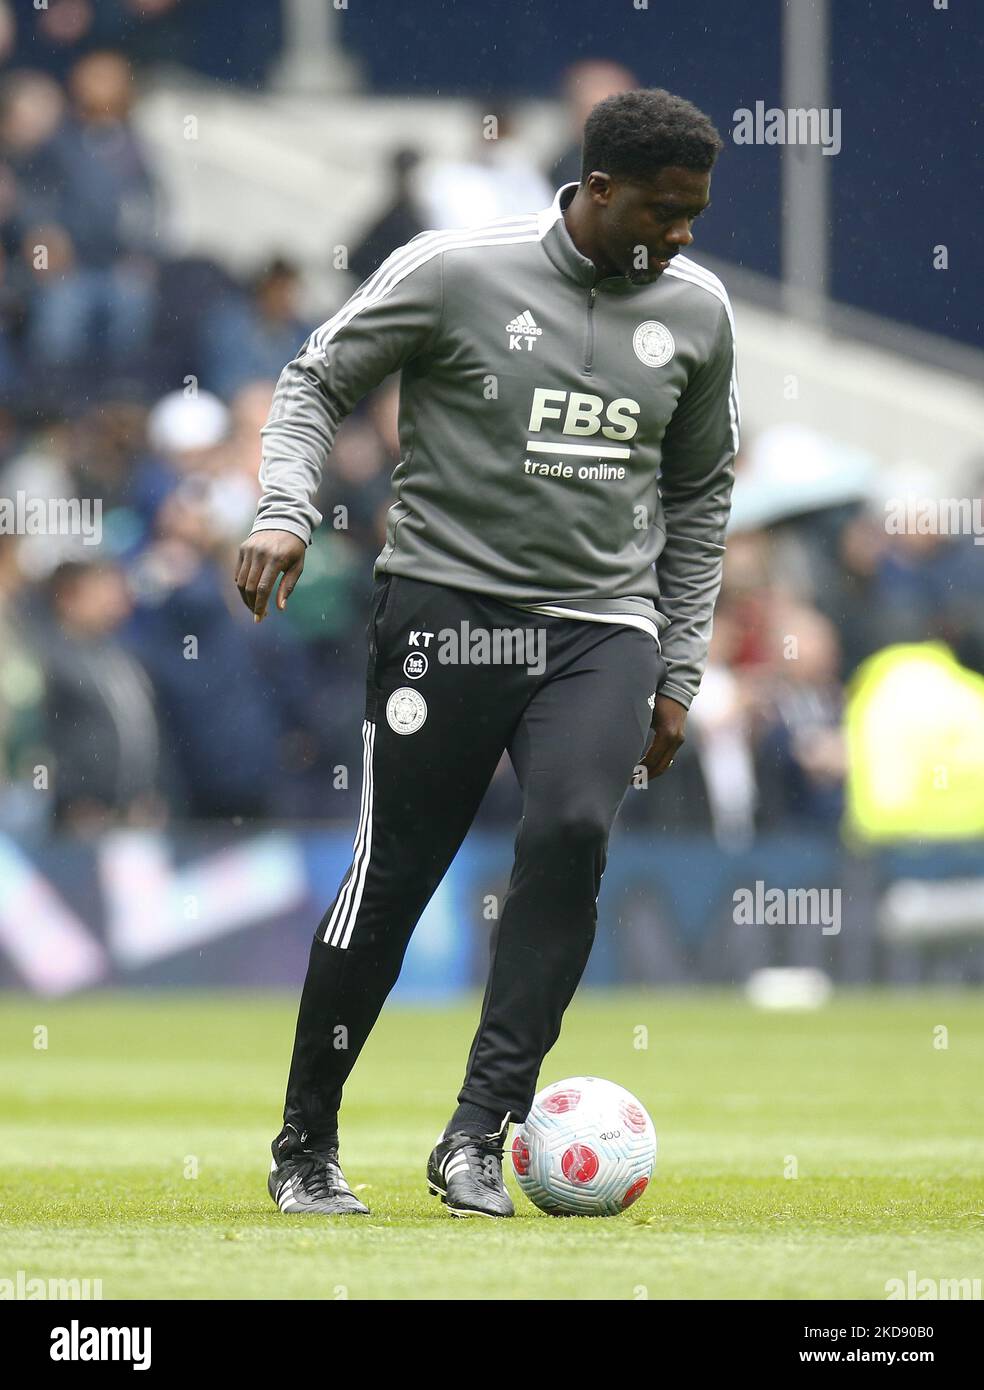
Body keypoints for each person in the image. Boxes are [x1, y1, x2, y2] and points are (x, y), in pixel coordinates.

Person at [236, 88, 739, 1218]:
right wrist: (283, 507)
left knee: (569, 832)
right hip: (450, 609)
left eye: (696, 213)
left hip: (603, 623)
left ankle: (478, 1131)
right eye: (665, 210)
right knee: (398, 878)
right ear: (596, 190)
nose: (683, 235)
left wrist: (681, 666)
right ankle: (306, 1143)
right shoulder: (456, 268)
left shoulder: (699, 313)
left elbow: (701, 491)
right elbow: (317, 378)